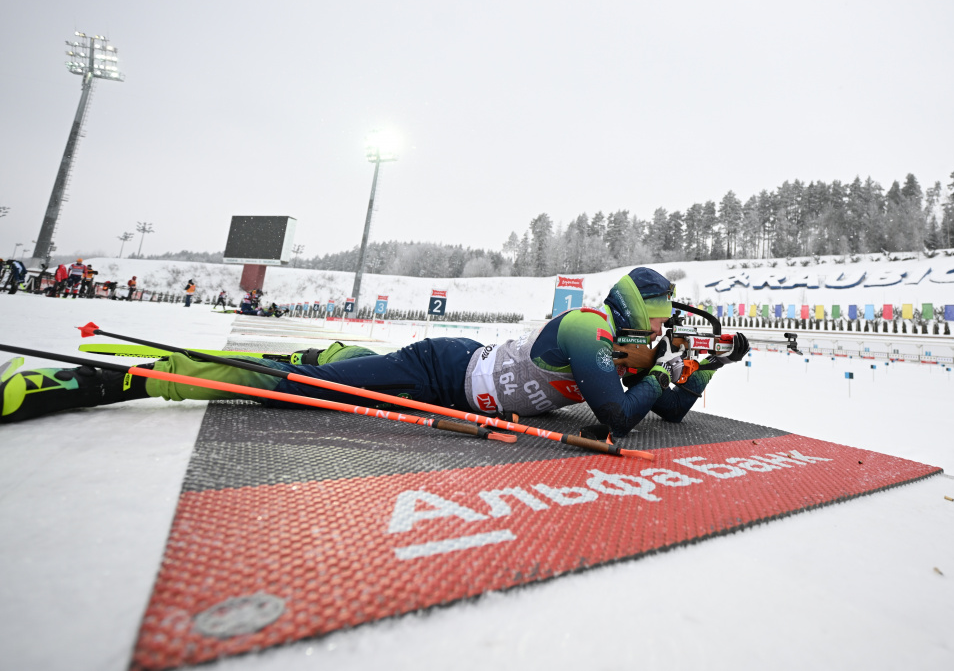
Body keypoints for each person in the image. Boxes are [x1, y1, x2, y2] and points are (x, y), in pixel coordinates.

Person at [0, 268, 750, 435]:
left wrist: (699, 369)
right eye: (659, 330)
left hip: (451, 383)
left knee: (324, 368)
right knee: (285, 385)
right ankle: (116, 379)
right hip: (439, 370)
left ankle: (333, 352)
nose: (661, 342)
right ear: (630, 317)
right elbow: (619, 419)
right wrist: (661, 379)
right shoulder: (589, 331)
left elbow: (669, 412)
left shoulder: (624, 350)